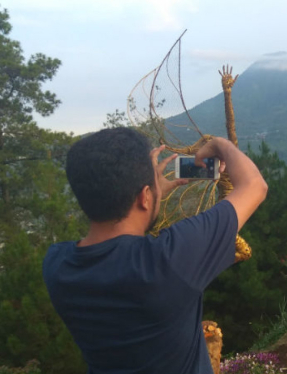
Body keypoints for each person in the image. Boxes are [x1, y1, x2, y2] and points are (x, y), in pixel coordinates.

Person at [43, 128, 268, 374]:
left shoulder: (57, 266)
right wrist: (219, 144)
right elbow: (254, 186)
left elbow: (119, 253)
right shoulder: (169, 260)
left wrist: (149, 196)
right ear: (144, 197)